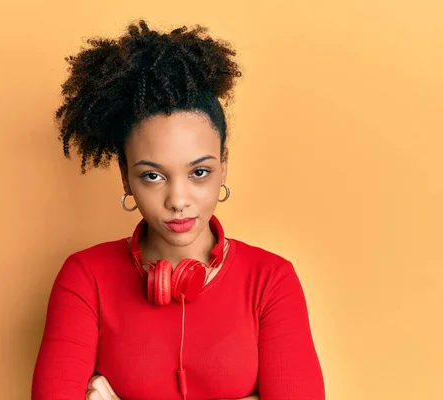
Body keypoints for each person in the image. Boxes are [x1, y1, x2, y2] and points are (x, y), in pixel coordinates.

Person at [31, 19, 325, 400]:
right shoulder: (85, 280)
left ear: (224, 166)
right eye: (153, 176)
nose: (178, 200)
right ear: (125, 177)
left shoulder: (271, 280)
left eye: (199, 172)